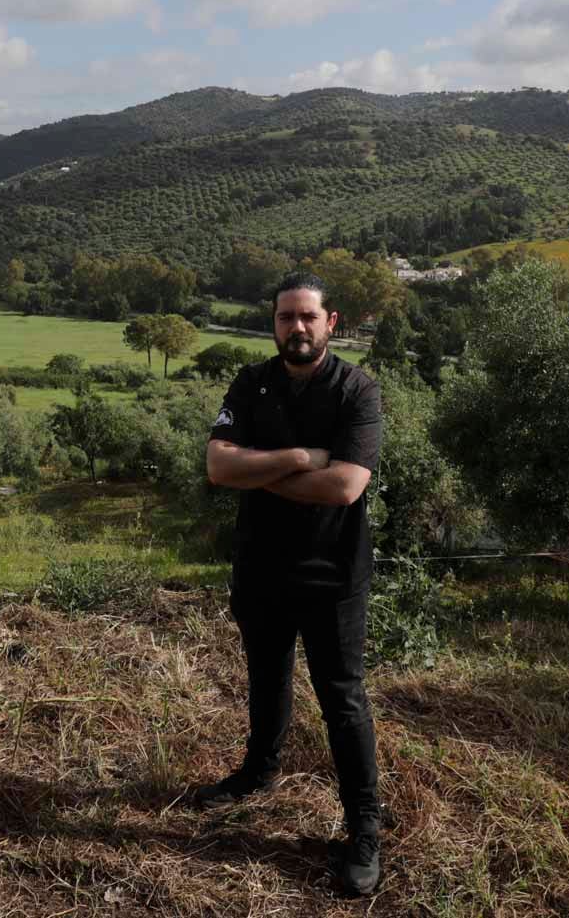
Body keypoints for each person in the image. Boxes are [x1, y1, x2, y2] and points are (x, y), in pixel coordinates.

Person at [198, 270, 385, 896]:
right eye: (285, 317)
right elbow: (219, 466)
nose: (296, 328)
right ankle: (259, 773)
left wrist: (260, 472)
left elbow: (346, 487)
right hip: (262, 567)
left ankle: (364, 830)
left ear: (331, 323)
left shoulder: (357, 390)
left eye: (308, 317)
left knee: (343, 699)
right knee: (266, 676)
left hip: (333, 574)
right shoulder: (251, 384)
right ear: (273, 322)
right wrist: (300, 458)